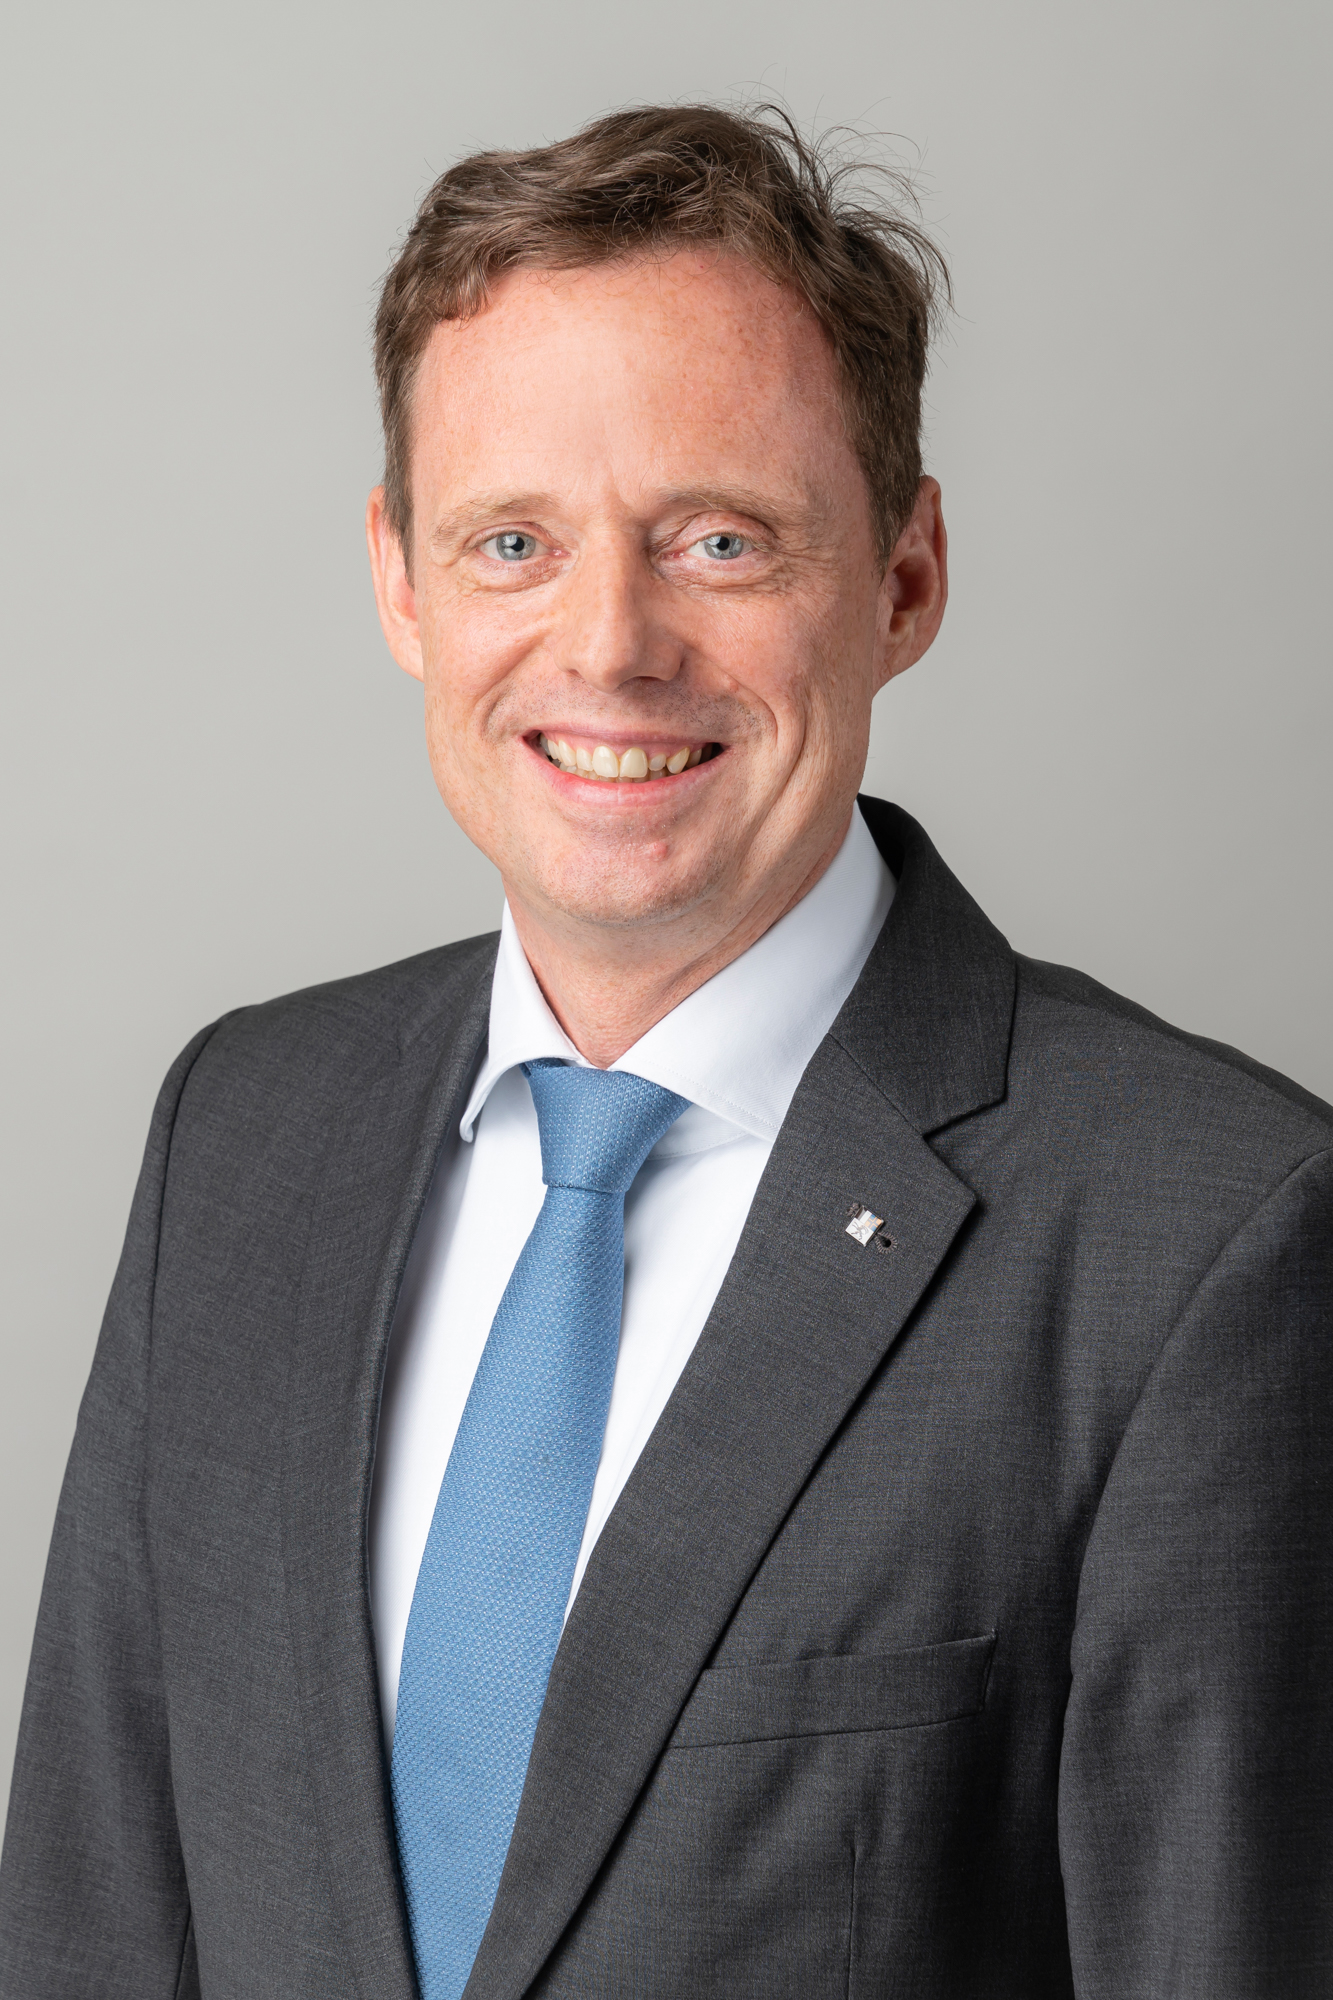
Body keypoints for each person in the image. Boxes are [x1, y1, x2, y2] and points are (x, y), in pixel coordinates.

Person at [2, 103, 1330, 2000]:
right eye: (511, 541)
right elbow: (88, 1925)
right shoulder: (243, 1134)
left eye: (719, 539)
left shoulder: (1206, 1238)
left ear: (904, 577)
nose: (609, 644)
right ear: (400, 581)